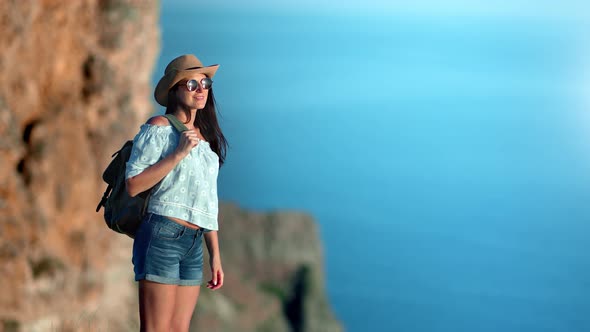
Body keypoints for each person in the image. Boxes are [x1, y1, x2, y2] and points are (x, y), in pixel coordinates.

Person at [125, 54, 228, 332]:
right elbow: (133, 184)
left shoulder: (205, 140)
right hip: (162, 235)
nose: (201, 89)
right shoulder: (159, 127)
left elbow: (207, 202)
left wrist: (214, 254)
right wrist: (178, 154)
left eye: (205, 83)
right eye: (192, 83)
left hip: (194, 243)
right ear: (174, 90)